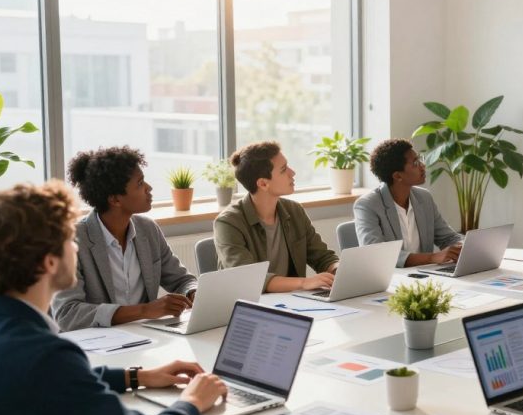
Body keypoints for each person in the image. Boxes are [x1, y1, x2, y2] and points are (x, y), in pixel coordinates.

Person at [0, 182, 227, 415]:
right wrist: (192, 401)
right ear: (49, 262)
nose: (76, 247)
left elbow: (52, 382)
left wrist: (139, 376)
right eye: (70, 239)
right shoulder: (46, 357)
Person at [53, 147, 199, 331]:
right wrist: (144, 311)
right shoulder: (71, 241)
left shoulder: (148, 229)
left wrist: (193, 292)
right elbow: (67, 313)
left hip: (145, 337)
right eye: (140, 183)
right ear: (115, 200)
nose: (149, 188)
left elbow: (182, 280)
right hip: (98, 344)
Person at [214, 141, 339, 292]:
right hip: (249, 306)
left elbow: (322, 257)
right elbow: (250, 278)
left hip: (293, 303)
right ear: (263, 184)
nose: (292, 173)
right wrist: (304, 283)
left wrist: (338, 270)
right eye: (283, 169)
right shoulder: (228, 223)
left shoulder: (294, 211)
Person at [353, 138, 463, 267]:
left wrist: (467, 245)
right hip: (391, 279)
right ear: (398, 176)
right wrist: (432, 257)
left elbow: (448, 238)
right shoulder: (367, 205)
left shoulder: (424, 197)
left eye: (420, 159)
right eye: (415, 163)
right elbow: (377, 254)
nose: (423, 166)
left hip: (425, 277)